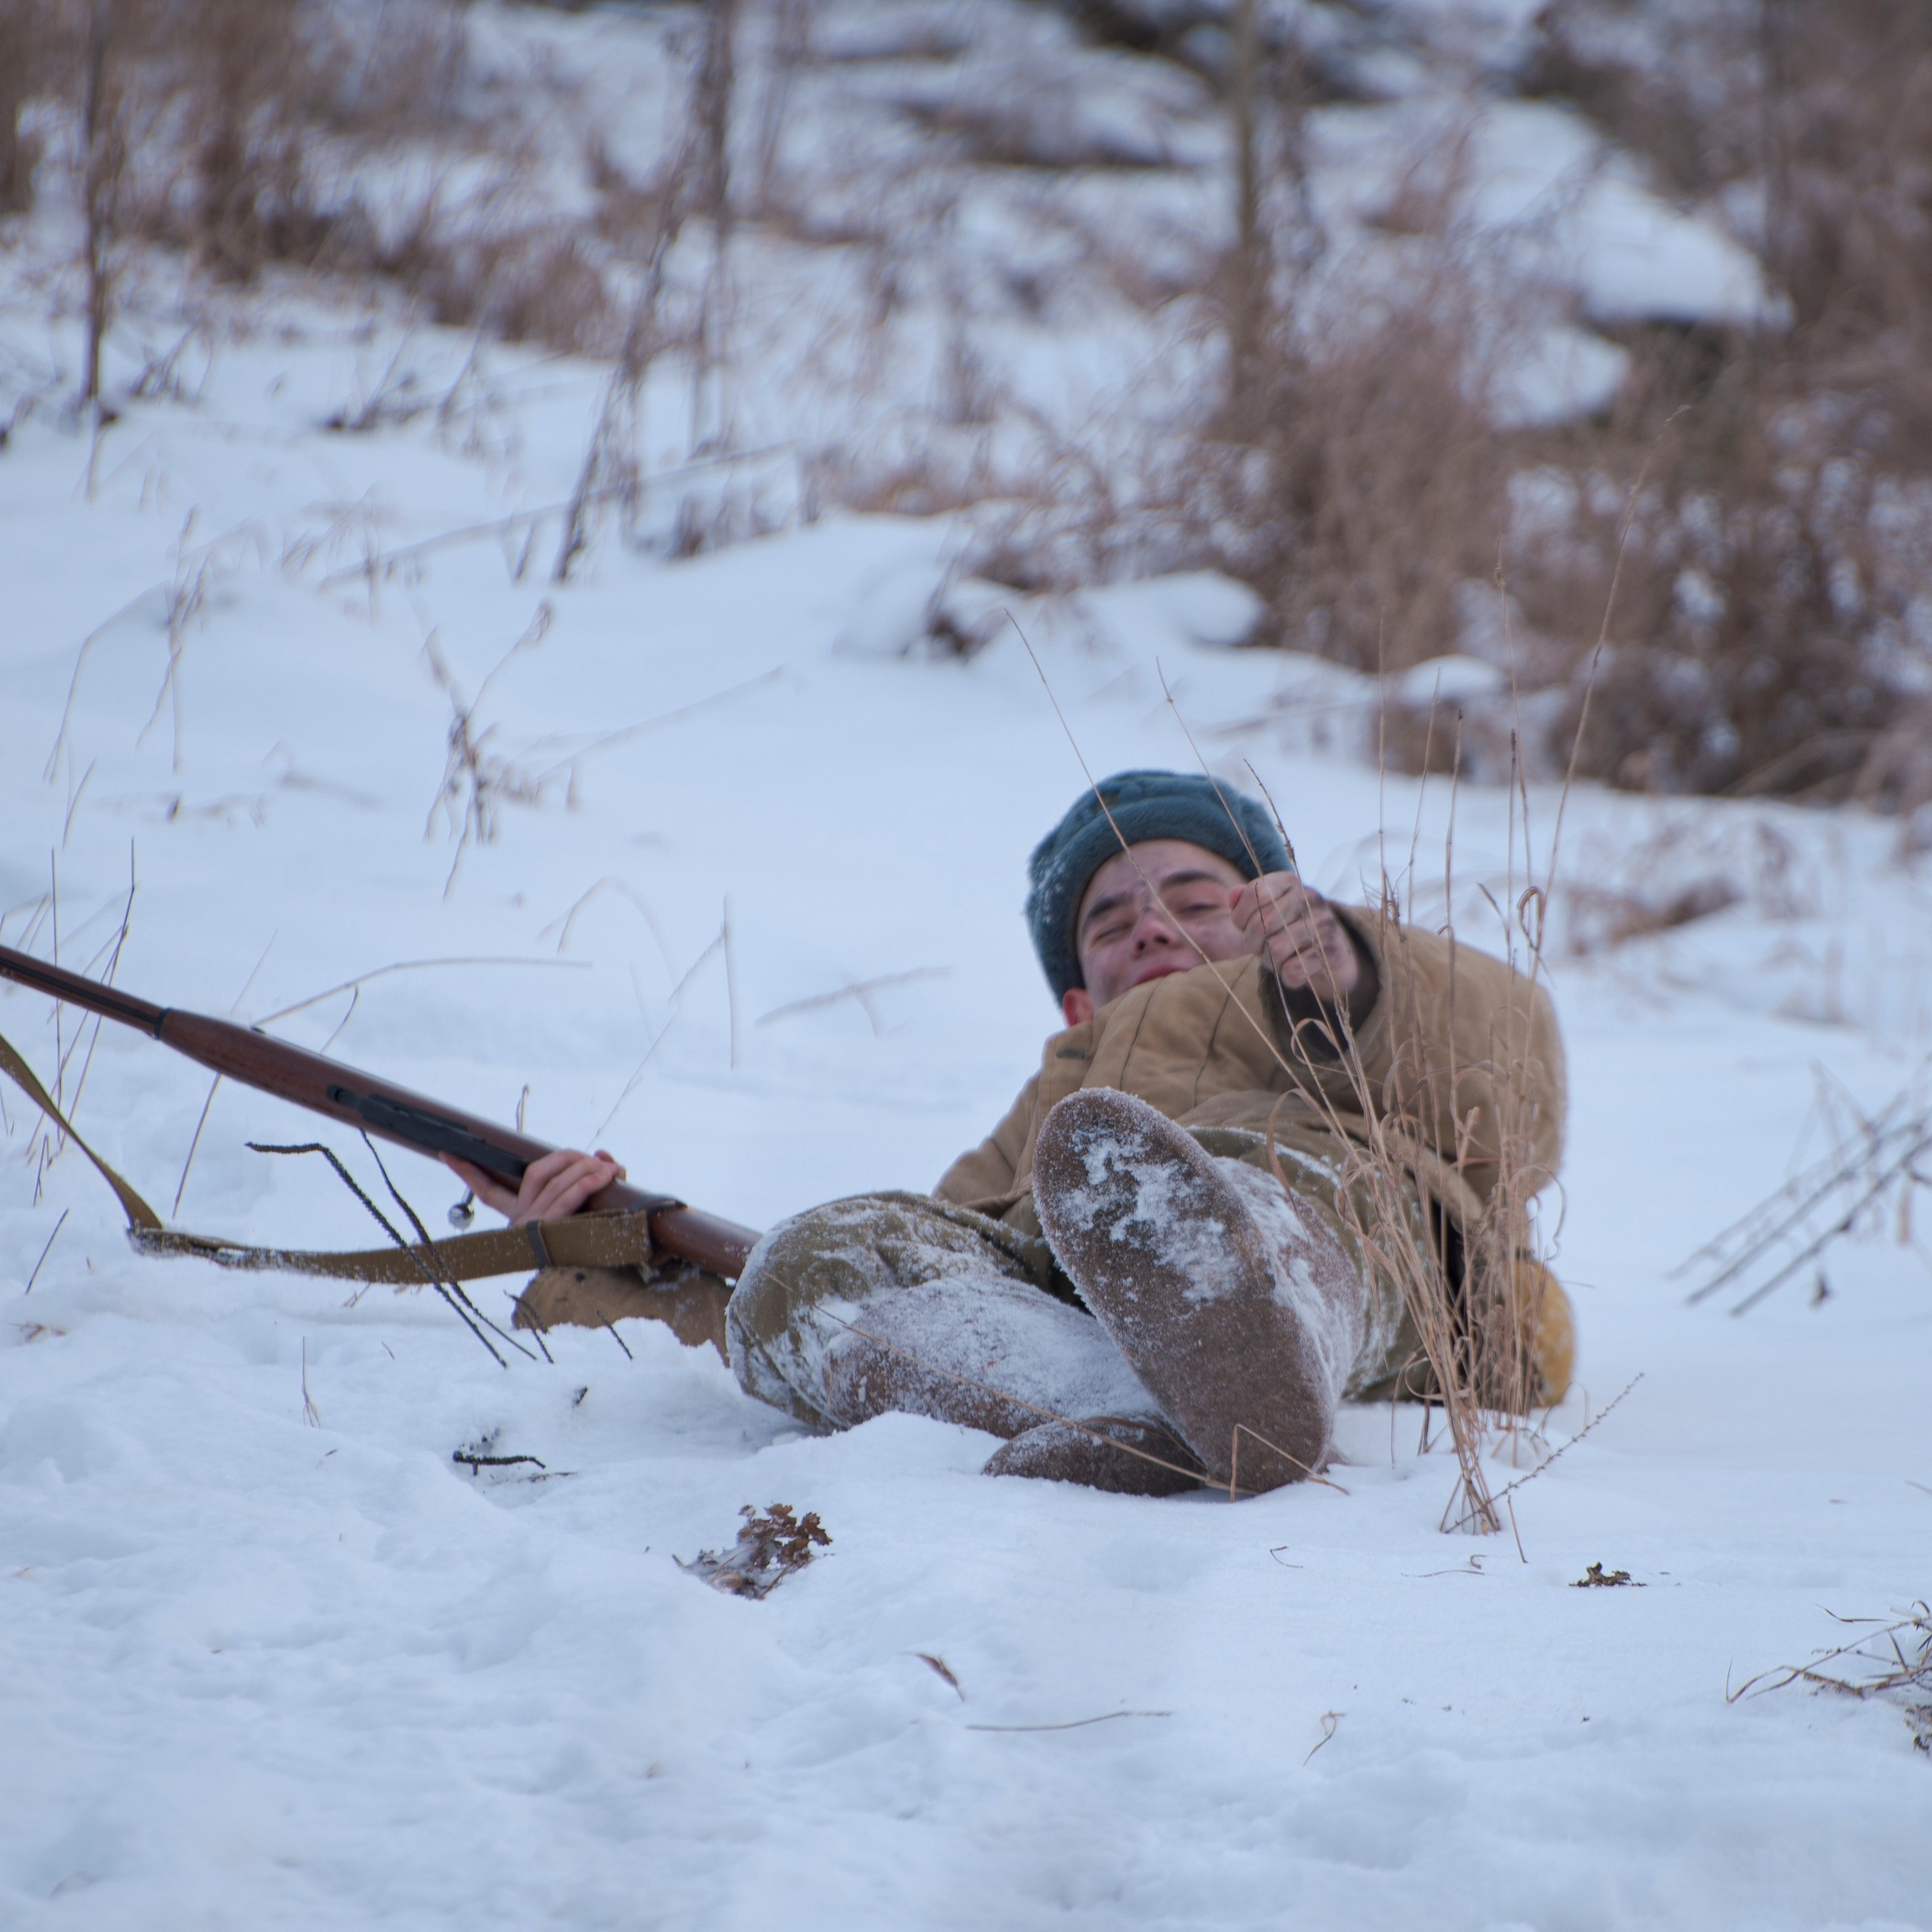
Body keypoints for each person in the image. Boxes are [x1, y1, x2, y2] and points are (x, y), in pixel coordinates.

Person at [445, 770, 1573, 1497]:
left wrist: (1356, 973)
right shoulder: (1047, 1110)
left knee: (1255, 1182)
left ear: (1273, 914)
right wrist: (589, 1259)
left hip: (1337, 1229)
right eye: (1112, 921)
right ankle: (1124, 1410)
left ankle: (1252, 1318)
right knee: (819, 1263)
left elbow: (1514, 1090)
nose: (1154, 924)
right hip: (1083, 1280)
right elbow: (938, 1251)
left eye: (1195, 893)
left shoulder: (1327, 1015)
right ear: (1077, 1000)